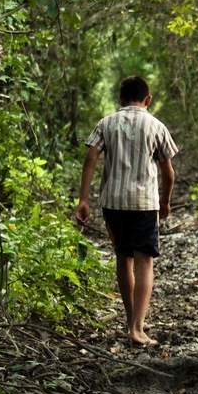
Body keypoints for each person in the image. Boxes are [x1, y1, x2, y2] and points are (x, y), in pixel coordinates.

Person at [74, 75, 178, 347]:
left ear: (120, 99)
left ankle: (131, 320)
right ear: (148, 99)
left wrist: (83, 199)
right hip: (144, 203)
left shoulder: (106, 123)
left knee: (124, 256)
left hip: (114, 202)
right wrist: (165, 202)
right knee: (145, 260)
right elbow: (168, 172)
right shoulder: (156, 125)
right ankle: (137, 327)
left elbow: (90, 158)